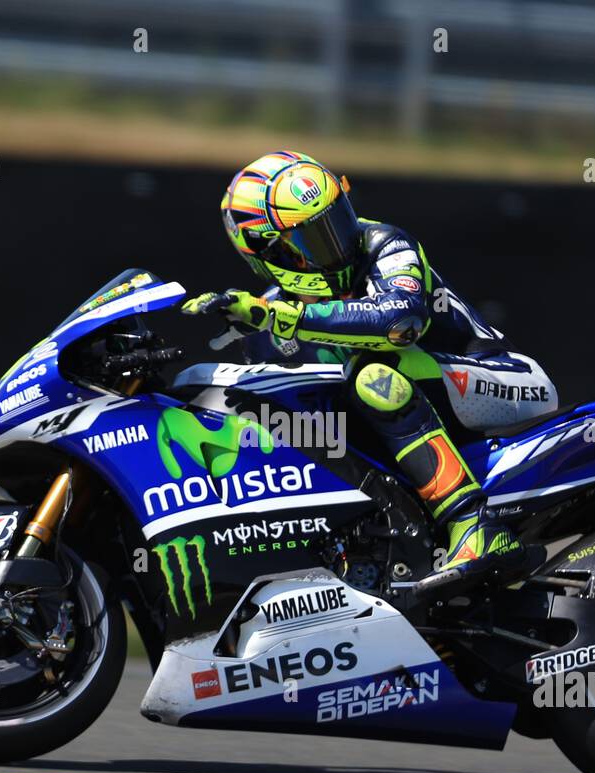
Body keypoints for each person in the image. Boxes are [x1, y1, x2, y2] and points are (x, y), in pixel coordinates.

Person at [182, 150, 537, 578]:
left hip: (501, 377)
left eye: (338, 220)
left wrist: (283, 318)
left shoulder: (386, 243)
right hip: (425, 408)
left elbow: (399, 321)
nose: (341, 243)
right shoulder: (269, 321)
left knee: (374, 375)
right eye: (315, 237)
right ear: (271, 255)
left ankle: (475, 525)